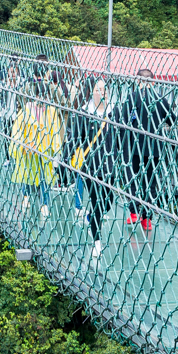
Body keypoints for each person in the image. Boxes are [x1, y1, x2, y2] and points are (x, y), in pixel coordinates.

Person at [113, 68, 174, 232]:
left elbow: (123, 121)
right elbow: (172, 120)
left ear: (137, 81)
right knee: (150, 182)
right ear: (153, 82)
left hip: (134, 146)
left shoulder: (133, 98)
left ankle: (134, 213)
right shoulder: (160, 99)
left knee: (133, 178)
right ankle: (147, 218)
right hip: (154, 147)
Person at [68, 77, 115, 258]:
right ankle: (96, 240)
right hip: (90, 165)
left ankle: (91, 217)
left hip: (109, 165)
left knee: (108, 201)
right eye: (98, 90)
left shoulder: (114, 114)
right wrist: (69, 158)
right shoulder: (85, 113)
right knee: (96, 201)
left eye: (104, 90)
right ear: (92, 92)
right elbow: (76, 137)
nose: (101, 93)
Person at [10, 88, 64, 216]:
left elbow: (55, 129)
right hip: (28, 149)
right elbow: (18, 128)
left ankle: (44, 204)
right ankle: (26, 196)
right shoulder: (27, 110)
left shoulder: (51, 111)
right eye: (41, 96)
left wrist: (56, 149)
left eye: (46, 97)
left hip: (45, 150)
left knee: (45, 177)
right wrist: (22, 144)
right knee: (28, 174)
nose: (43, 100)